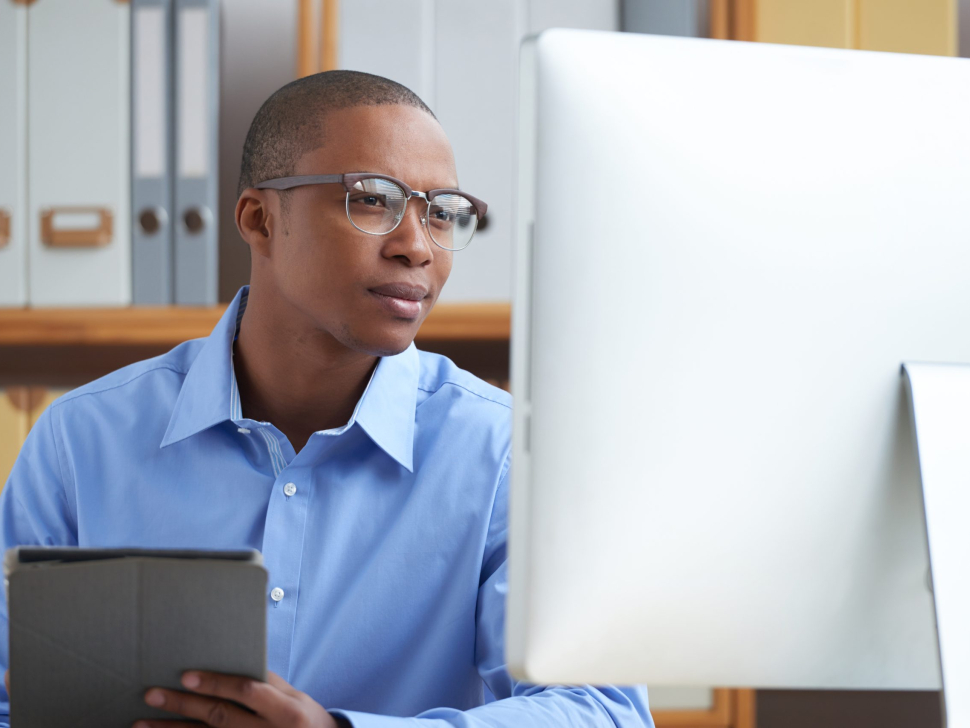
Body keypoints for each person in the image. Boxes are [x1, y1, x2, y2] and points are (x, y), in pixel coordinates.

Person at [0, 71, 654, 728]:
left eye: (442, 212)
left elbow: (606, 711)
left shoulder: (507, 455)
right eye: (373, 200)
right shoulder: (78, 443)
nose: (417, 247)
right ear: (260, 219)